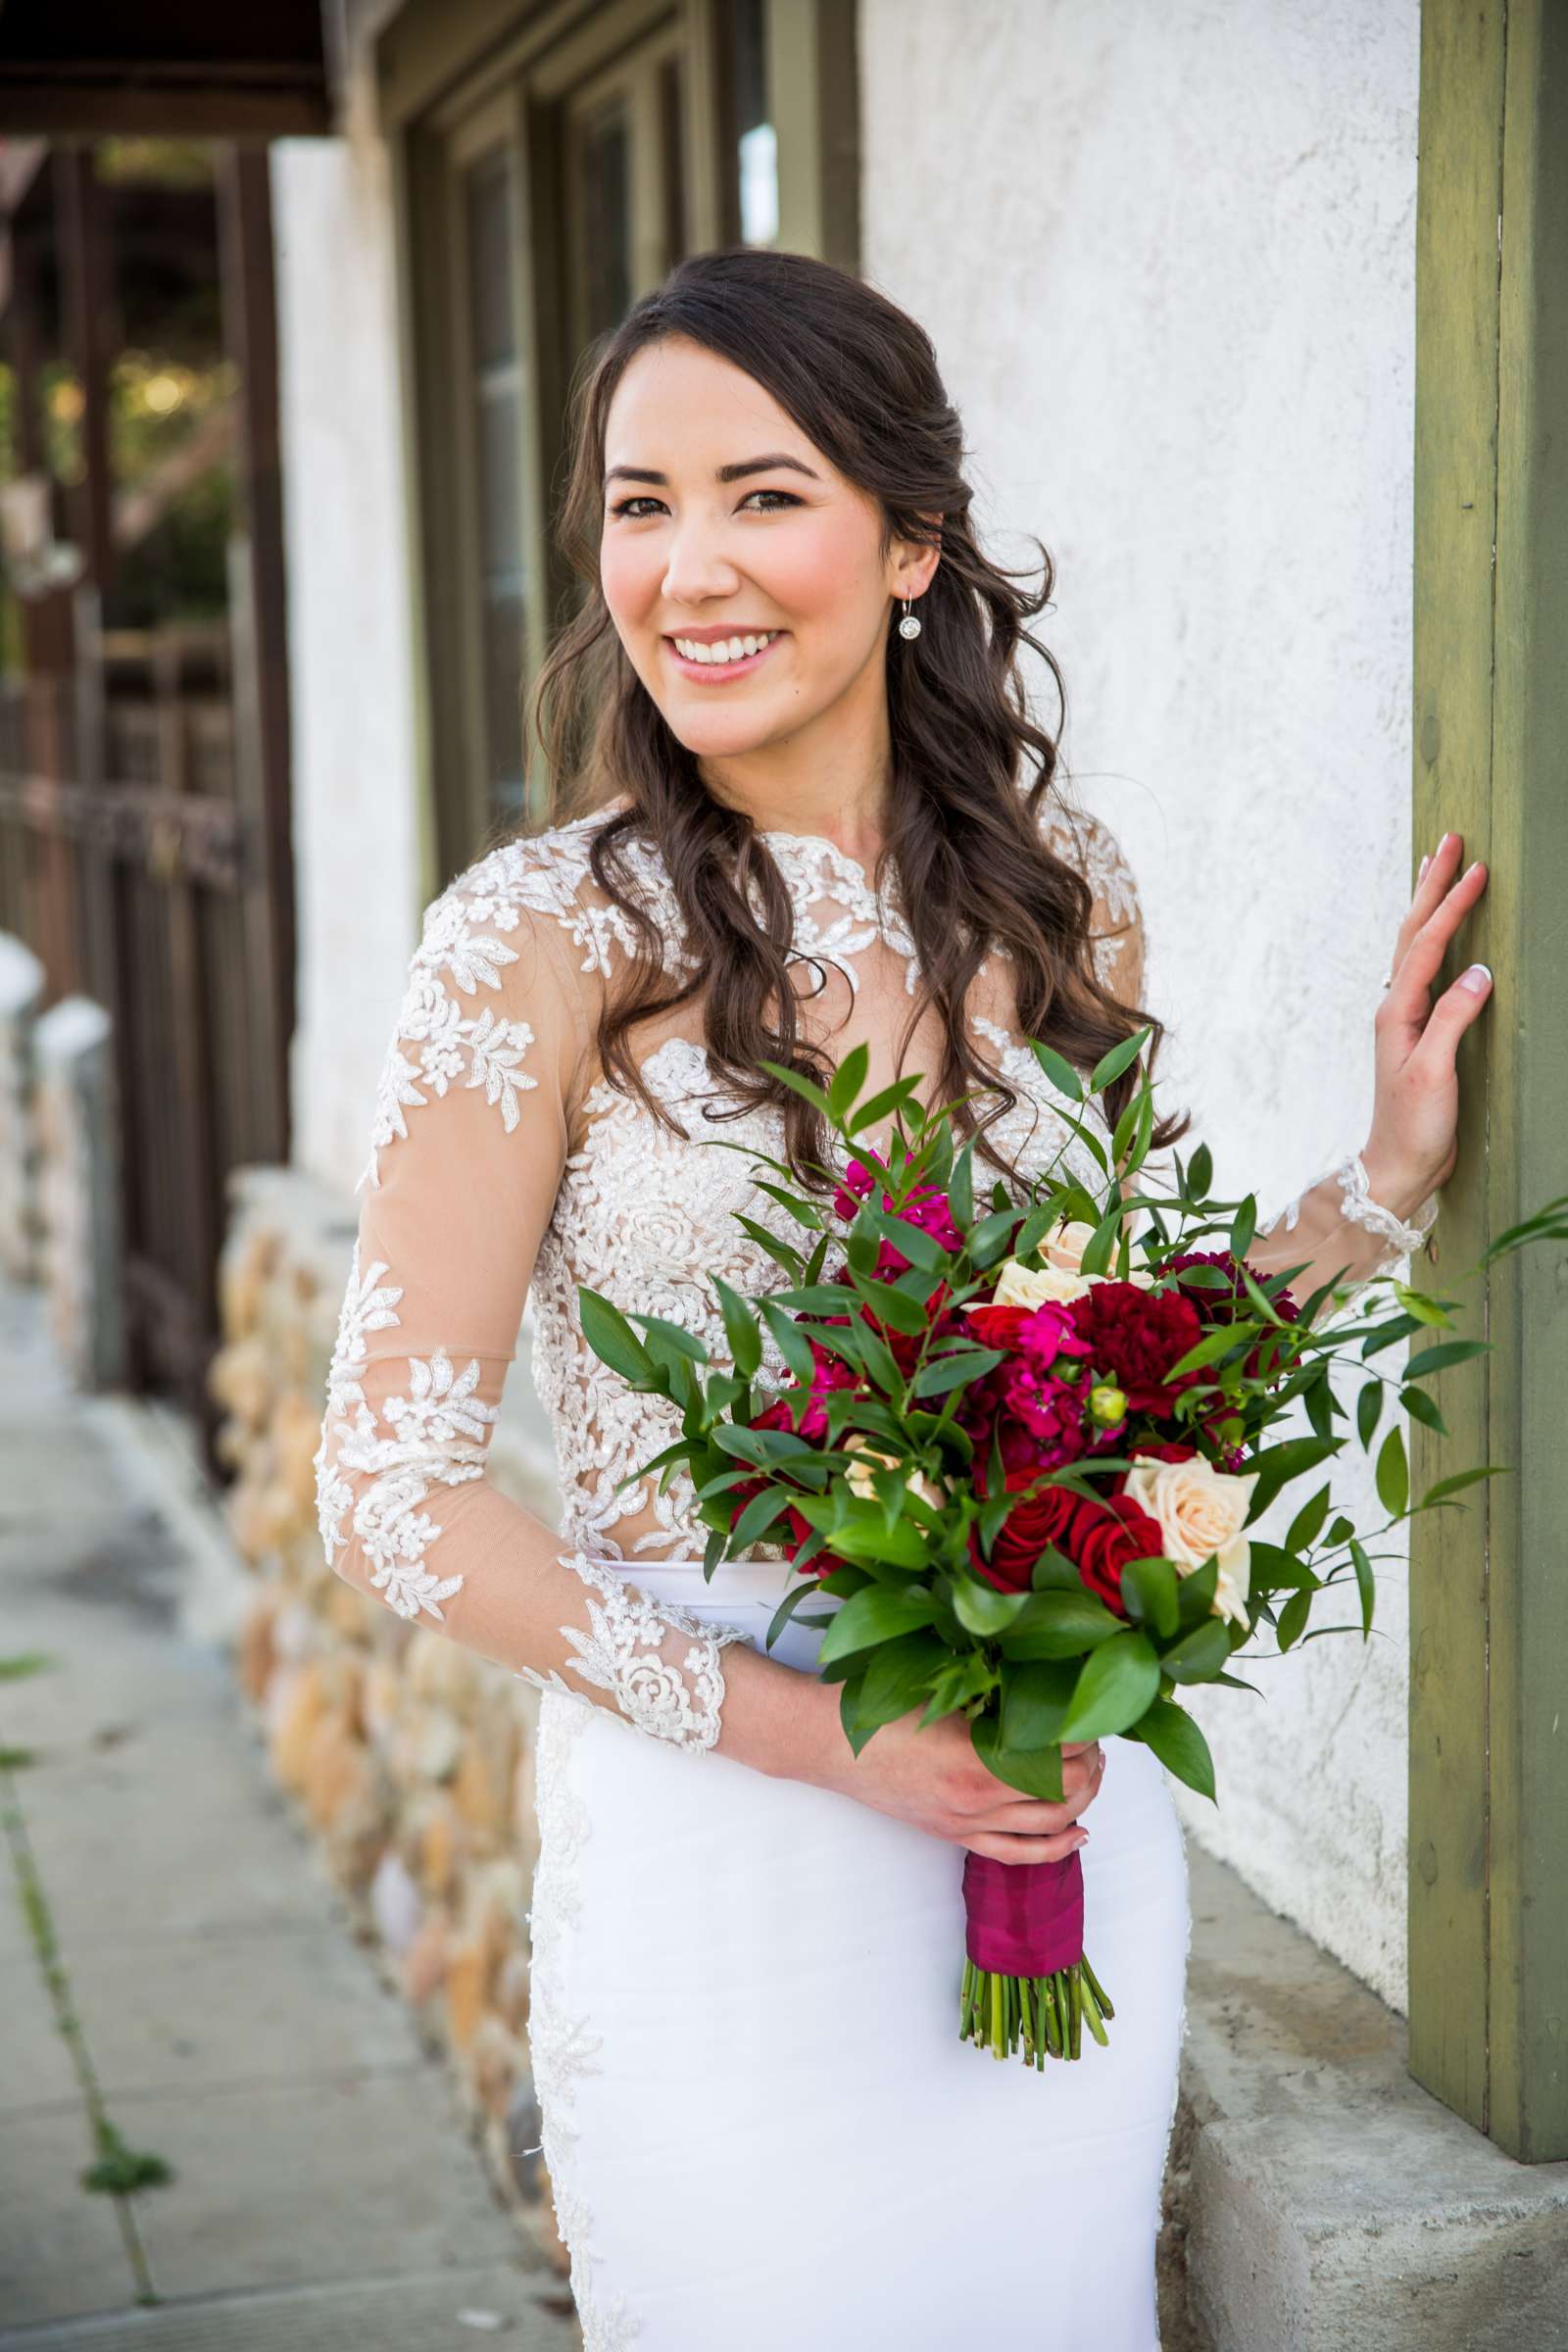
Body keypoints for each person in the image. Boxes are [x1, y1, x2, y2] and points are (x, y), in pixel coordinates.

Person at [314, 248, 1491, 2350]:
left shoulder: (1064, 895)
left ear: (913, 538)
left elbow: (1110, 1386)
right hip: (723, 1853)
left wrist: (1377, 1184)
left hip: (1048, 1815)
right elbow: (392, 1495)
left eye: (759, 493)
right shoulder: (535, 942)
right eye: (635, 503)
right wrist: (837, 1748)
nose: (685, 567)